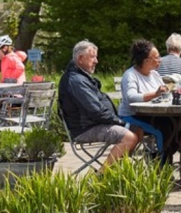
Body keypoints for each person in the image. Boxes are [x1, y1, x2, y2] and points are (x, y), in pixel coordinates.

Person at [58, 40, 139, 168]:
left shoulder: (81, 77)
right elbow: (96, 111)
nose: (96, 61)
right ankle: (103, 175)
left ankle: (121, 170)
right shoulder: (75, 80)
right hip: (86, 129)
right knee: (129, 137)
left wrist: (120, 121)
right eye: (93, 57)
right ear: (80, 58)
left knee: (138, 128)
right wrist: (120, 122)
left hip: (95, 123)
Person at [118, 40, 172, 157]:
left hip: (153, 115)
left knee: (179, 124)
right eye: (157, 57)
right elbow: (131, 97)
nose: (160, 59)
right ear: (146, 61)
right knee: (163, 130)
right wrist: (155, 94)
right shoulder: (130, 75)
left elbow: (164, 94)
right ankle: (162, 166)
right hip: (132, 116)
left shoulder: (155, 74)